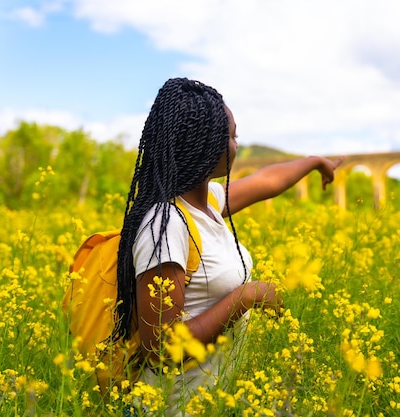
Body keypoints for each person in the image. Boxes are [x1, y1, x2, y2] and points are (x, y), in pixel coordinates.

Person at [114, 77, 343, 415]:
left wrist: (313, 162)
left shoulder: (208, 204)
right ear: (205, 141)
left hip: (209, 405)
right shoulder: (165, 225)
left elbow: (267, 180)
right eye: (232, 135)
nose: (236, 144)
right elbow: (160, 349)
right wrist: (245, 297)